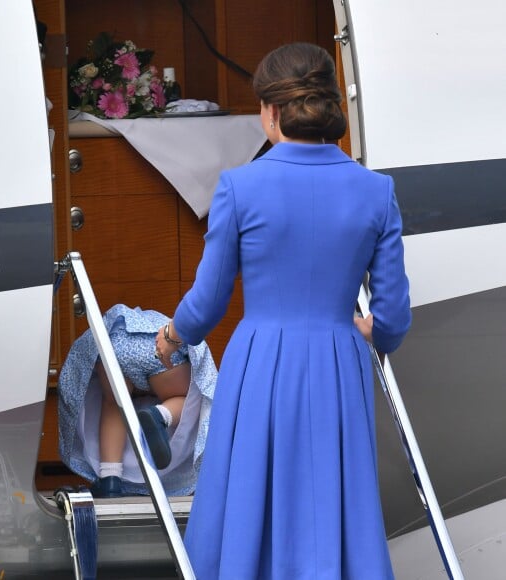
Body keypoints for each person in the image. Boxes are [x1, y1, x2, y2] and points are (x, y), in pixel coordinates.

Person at [154, 43, 411, 579]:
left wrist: (174, 335)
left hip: (261, 359)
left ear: (271, 112)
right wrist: (371, 332)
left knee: (252, 490)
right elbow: (392, 318)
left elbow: (208, 301)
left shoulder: (240, 188)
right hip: (338, 357)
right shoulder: (376, 191)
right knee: (331, 493)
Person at [58, 304, 217, 498]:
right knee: (185, 397)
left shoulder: (118, 321)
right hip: (158, 346)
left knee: (114, 405)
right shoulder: (167, 326)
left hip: (114, 344)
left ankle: (109, 480)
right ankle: (160, 415)